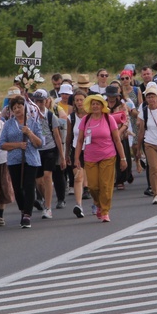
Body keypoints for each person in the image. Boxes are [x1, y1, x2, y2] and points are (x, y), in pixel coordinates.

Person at [73, 94, 127, 222]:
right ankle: (98, 204)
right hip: (90, 157)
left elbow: (117, 140)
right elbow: (80, 141)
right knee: (92, 186)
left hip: (108, 155)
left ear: (102, 106)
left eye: (98, 103)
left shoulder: (109, 119)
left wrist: (123, 158)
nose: (95, 106)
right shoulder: (85, 120)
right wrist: (76, 158)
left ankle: (104, 211)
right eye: (93, 104)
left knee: (106, 185)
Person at [0, 96, 44, 228]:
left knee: (29, 185)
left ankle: (27, 215)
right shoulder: (8, 124)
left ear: (25, 107)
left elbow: (40, 143)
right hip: (14, 160)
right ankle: (23, 210)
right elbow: (2, 144)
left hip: (31, 159)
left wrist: (29, 133)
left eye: (19, 107)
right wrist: (18, 145)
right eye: (14, 108)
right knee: (18, 188)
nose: (17, 110)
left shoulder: (34, 123)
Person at [30, 89, 65, 219]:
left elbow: (57, 136)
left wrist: (62, 156)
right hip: (36, 150)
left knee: (47, 176)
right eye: (36, 101)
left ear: (46, 101)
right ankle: (47, 199)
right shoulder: (30, 117)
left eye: (41, 101)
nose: (39, 104)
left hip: (50, 149)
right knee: (38, 181)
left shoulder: (51, 116)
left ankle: (48, 207)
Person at [66, 89, 89, 218]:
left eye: (82, 99)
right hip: (76, 150)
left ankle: (97, 204)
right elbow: (68, 138)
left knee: (93, 179)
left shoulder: (92, 115)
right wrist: (65, 155)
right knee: (78, 177)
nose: (79, 102)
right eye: (77, 100)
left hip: (91, 149)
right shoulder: (71, 117)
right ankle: (78, 205)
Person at [105, 84, 132, 190]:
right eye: (109, 96)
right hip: (106, 136)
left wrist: (119, 132)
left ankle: (121, 179)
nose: (111, 98)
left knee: (122, 156)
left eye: (113, 96)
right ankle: (111, 179)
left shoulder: (122, 105)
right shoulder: (103, 105)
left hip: (120, 135)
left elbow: (126, 121)